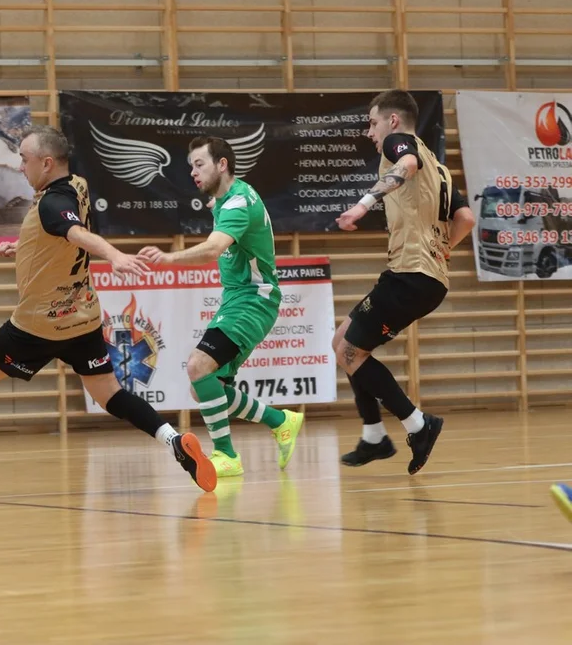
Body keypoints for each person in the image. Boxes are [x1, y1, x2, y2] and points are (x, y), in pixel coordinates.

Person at [0, 125, 218, 492]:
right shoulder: (77, 185)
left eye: (24, 160)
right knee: (110, 393)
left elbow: (75, 233)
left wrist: (113, 255)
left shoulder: (51, 202)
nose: (20, 167)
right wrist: (25, 246)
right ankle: (173, 440)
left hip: (39, 324)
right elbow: (60, 234)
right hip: (83, 315)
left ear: (46, 163)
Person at [138, 136, 304, 478]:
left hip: (253, 300)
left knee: (199, 368)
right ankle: (281, 420)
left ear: (222, 164)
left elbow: (214, 249)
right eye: (191, 167)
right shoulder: (227, 199)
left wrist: (169, 258)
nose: (193, 173)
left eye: (199, 165)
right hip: (237, 298)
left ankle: (227, 455)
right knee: (206, 388)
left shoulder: (237, 203)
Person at [334, 89, 475, 473]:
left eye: (372, 122)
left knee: (350, 353)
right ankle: (374, 437)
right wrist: (443, 249)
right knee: (342, 341)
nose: (370, 132)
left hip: (409, 275)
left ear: (392, 121)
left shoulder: (402, 145)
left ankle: (418, 424)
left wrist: (362, 205)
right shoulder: (440, 165)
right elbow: (466, 219)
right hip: (427, 278)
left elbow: (406, 163)